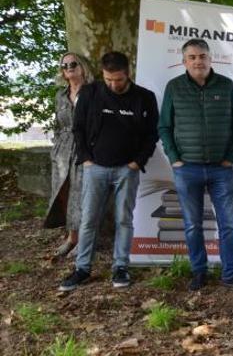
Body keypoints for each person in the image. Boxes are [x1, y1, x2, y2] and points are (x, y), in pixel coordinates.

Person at [158, 38, 233, 291]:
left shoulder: (226, 86)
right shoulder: (174, 87)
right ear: (184, 62)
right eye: (192, 57)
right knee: (192, 226)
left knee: (229, 225)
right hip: (187, 169)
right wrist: (174, 159)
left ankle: (231, 274)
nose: (197, 61)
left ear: (210, 59)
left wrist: (229, 159)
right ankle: (199, 272)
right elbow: (165, 127)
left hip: (221, 170)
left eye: (202, 56)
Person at [58, 52, 159, 291]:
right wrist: (85, 159)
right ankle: (82, 268)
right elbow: (78, 129)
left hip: (128, 169)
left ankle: (120, 267)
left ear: (128, 73)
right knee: (89, 219)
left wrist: (138, 161)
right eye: (108, 79)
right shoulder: (91, 93)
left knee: (124, 219)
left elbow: (152, 134)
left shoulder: (145, 97)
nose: (114, 85)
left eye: (119, 80)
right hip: (96, 168)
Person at [45, 52, 94, 257]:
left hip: (86, 149)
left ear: (83, 67)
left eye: (73, 64)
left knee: (82, 195)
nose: (69, 68)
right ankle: (71, 237)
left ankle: (85, 239)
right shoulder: (60, 95)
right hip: (62, 151)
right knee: (64, 194)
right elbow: (58, 124)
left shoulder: (95, 92)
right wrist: (56, 146)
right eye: (64, 65)